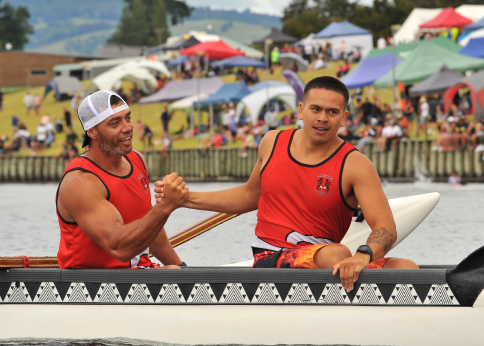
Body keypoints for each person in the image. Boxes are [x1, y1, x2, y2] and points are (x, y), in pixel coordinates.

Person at [155, 76, 416, 293]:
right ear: (302, 110)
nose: (323, 118)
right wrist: (185, 199)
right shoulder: (272, 142)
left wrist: (362, 256)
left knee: (406, 269)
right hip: (272, 257)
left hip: (324, 257)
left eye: (332, 112)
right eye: (316, 109)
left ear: (344, 117)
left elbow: (385, 228)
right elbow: (249, 196)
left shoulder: (356, 165)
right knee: (337, 254)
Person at [56, 90, 185, 269]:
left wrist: (185, 269)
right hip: (92, 286)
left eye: (128, 118)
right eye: (115, 123)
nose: (127, 127)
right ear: (92, 132)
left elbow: (150, 230)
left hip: (139, 276)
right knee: (172, 273)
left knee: (176, 270)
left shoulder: (137, 160)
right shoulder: (80, 181)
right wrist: (166, 206)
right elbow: (118, 248)